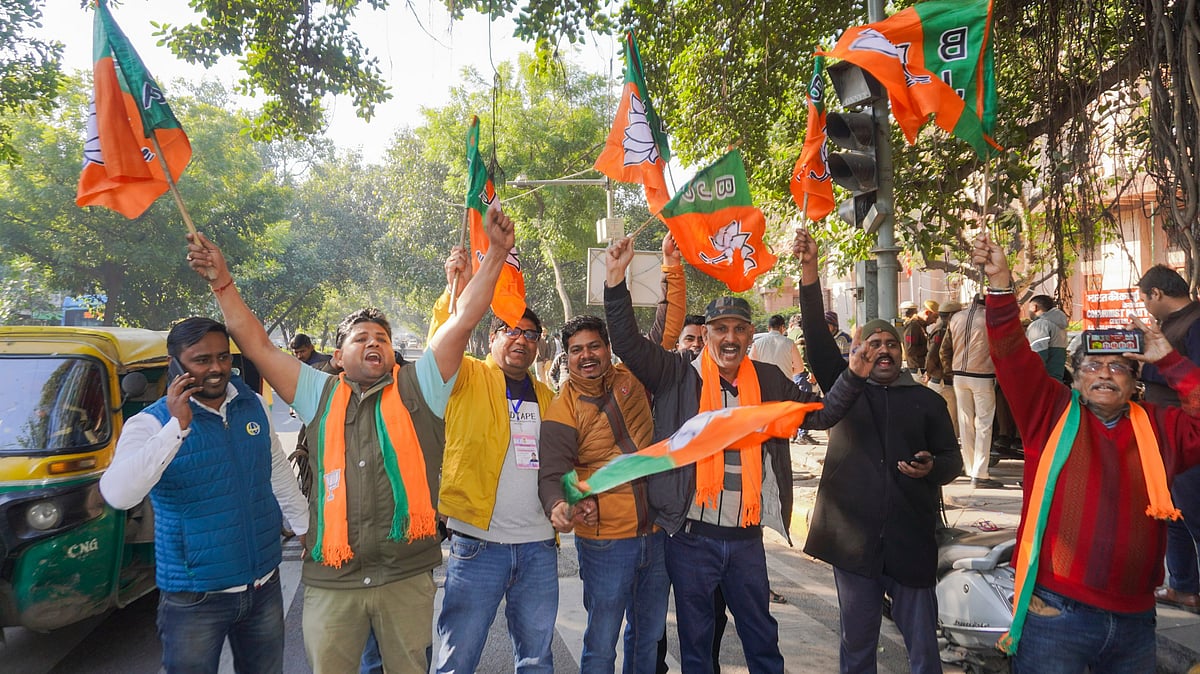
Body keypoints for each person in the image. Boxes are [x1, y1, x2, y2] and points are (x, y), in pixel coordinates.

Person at [184, 205, 514, 674]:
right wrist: (223, 283)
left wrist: (497, 254)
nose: (374, 342)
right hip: (332, 581)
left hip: (405, 576)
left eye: (381, 336)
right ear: (338, 356)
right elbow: (256, 343)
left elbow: (461, 321)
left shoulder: (421, 386)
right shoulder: (317, 391)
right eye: (361, 338)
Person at [603, 235, 873, 673]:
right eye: (720, 329)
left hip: (746, 542)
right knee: (696, 646)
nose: (730, 338)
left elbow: (819, 417)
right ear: (706, 335)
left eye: (739, 329)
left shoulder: (768, 381)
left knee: (762, 641)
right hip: (690, 540)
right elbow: (628, 343)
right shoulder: (675, 375)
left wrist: (856, 375)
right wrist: (616, 283)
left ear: (751, 335)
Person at [973, 232, 1200, 672]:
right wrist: (1001, 286)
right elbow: (1011, 355)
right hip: (1056, 614)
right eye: (1092, 365)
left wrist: (1168, 359)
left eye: (1118, 366)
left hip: (1135, 621)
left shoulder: (1159, 427)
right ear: (1074, 378)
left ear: (1136, 383)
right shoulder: (1051, 413)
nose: (1104, 374)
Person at [99, 317, 310, 674]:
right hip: (195, 597)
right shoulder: (150, 424)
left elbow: (276, 472)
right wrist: (177, 427)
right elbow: (118, 494)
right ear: (175, 365)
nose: (216, 368)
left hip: (262, 586)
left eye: (223, 357)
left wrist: (307, 528)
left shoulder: (253, 405)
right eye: (201, 360)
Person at [794, 229, 961, 674]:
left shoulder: (926, 401)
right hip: (854, 543)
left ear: (901, 352)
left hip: (911, 540)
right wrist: (809, 271)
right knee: (858, 642)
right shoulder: (845, 390)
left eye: (890, 344)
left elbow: (952, 462)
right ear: (859, 350)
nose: (883, 350)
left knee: (923, 646)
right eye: (873, 343)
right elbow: (814, 334)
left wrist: (931, 468)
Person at [428, 261, 560, 674]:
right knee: (457, 658)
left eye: (531, 334)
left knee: (536, 659)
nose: (521, 339)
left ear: (538, 345)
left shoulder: (549, 397)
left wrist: (569, 503)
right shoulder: (466, 376)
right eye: (511, 329)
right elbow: (442, 342)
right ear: (492, 336)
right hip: (476, 544)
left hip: (539, 547)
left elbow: (563, 463)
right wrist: (455, 290)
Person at [539, 315, 669, 673]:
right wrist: (570, 503)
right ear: (567, 357)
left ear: (608, 348)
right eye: (576, 350)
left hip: (656, 535)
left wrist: (671, 269)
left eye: (594, 345)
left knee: (649, 636)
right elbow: (555, 473)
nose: (587, 355)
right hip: (606, 543)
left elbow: (665, 331)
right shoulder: (561, 408)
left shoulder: (633, 377)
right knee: (602, 641)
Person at [1137, 264, 1200, 612]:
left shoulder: (1194, 322)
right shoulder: (1172, 325)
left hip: (1190, 433)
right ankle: (1183, 586)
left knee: (1193, 512)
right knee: (1172, 512)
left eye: (1144, 298)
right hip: (1166, 434)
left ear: (1157, 294)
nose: (1145, 305)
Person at [942, 294, 1002, 488]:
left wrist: (949, 371)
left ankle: (969, 468)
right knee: (984, 424)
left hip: (959, 374)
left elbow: (945, 348)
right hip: (983, 375)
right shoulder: (991, 319)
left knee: (965, 421)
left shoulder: (956, 317)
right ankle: (980, 473)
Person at [924, 301, 962, 436]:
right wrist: (933, 372)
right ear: (952, 315)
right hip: (942, 381)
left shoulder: (945, 327)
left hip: (940, 379)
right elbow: (933, 354)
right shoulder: (942, 330)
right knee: (950, 421)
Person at [1024, 295, 1069, 381]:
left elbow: (1039, 353)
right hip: (1056, 378)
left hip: (1042, 381)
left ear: (1034, 307)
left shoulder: (1040, 324)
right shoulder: (1059, 326)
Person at [749, 314, 804, 380]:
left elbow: (750, 366)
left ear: (768, 328)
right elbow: (800, 368)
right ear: (783, 327)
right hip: (785, 384)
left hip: (765, 384)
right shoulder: (790, 343)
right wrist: (787, 371)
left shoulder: (757, 344)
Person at [900, 300, 928, 375]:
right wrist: (928, 347)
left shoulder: (917, 325)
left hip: (918, 368)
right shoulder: (913, 326)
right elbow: (910, 350)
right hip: (915, 368)